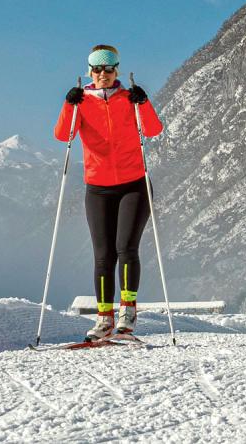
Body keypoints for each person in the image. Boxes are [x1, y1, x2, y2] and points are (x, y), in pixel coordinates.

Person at [55, 44, 162, 340]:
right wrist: (69, 104)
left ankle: (127, 314)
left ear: (117, 70)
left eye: (109, 69)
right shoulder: (81, 101)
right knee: (103, 256)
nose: (103, 74)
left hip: (133, 185)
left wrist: (144, 102)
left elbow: (153, 130)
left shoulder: (130, 99)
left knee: (125, 248)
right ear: (90, 72)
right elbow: (64, 135)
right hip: (98, 188)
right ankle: (104, 319)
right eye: (98, 69)